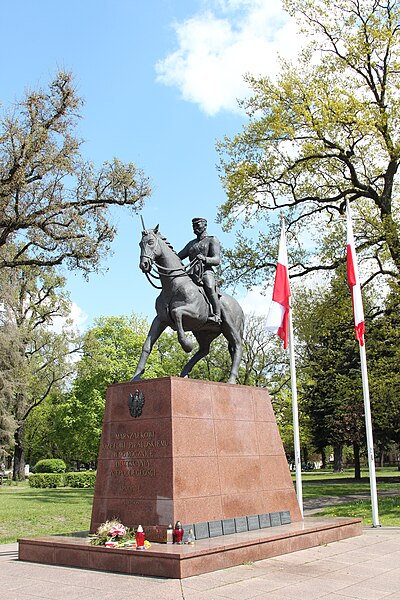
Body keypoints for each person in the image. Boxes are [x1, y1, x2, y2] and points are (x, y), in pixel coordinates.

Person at [178, 217, 222, 324]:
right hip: (191, 273)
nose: (195, 228)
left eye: (197, 225)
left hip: (206, 271)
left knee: (209, 287)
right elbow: (178, 257)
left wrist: (205, 259)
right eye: (193, 226)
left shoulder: (212, 240)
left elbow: (217, 260)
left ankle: (217, 315)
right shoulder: (191, 244)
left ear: (205, 225)